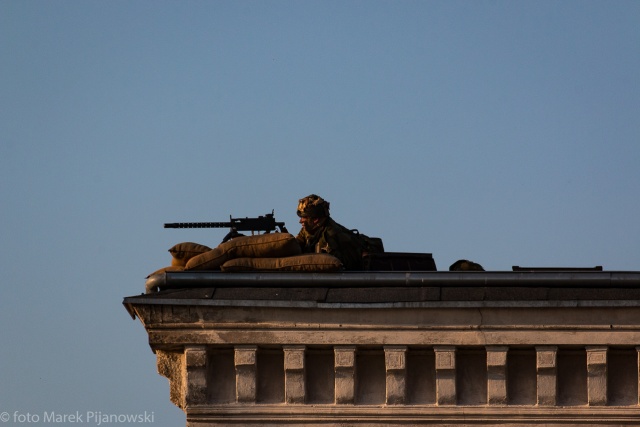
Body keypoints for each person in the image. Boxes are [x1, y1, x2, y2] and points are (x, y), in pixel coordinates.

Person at [295, 194, 366, 270]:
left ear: (315, 219)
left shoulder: (331, 236)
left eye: (304, 217)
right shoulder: (309, 228)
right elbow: (296, 244)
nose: (300, 221)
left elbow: (337, 266)